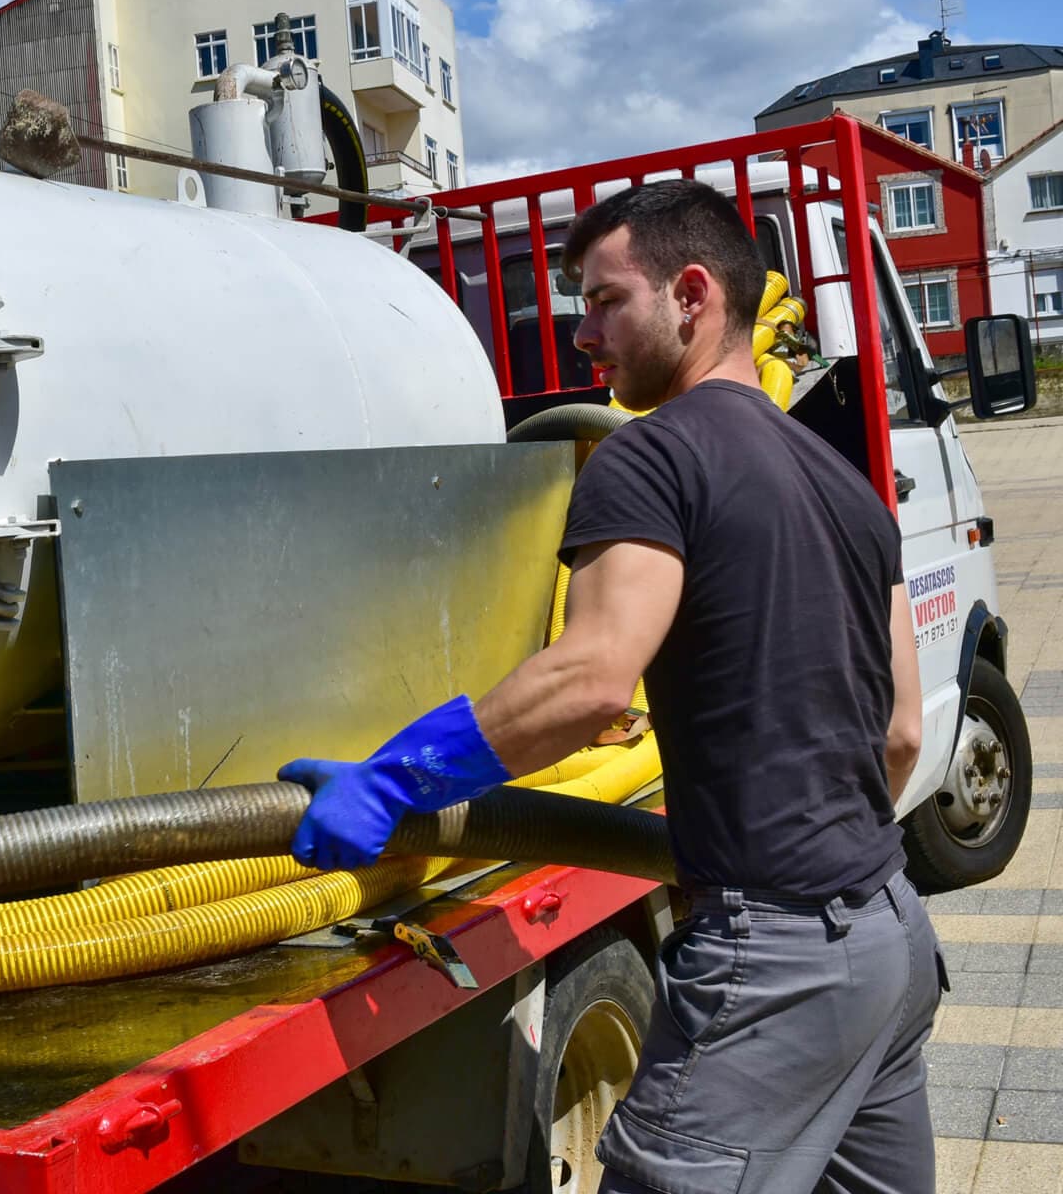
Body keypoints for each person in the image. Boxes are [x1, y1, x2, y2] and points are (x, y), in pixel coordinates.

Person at [279, 179, 942, 1193]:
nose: (581, 334)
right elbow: (899, 733)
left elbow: (590, 676)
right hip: (890, 935)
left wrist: (392, 779)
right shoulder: (847, 482)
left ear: (691, 293)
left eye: (603, 301)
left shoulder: (653, 457)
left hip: (776, 957)